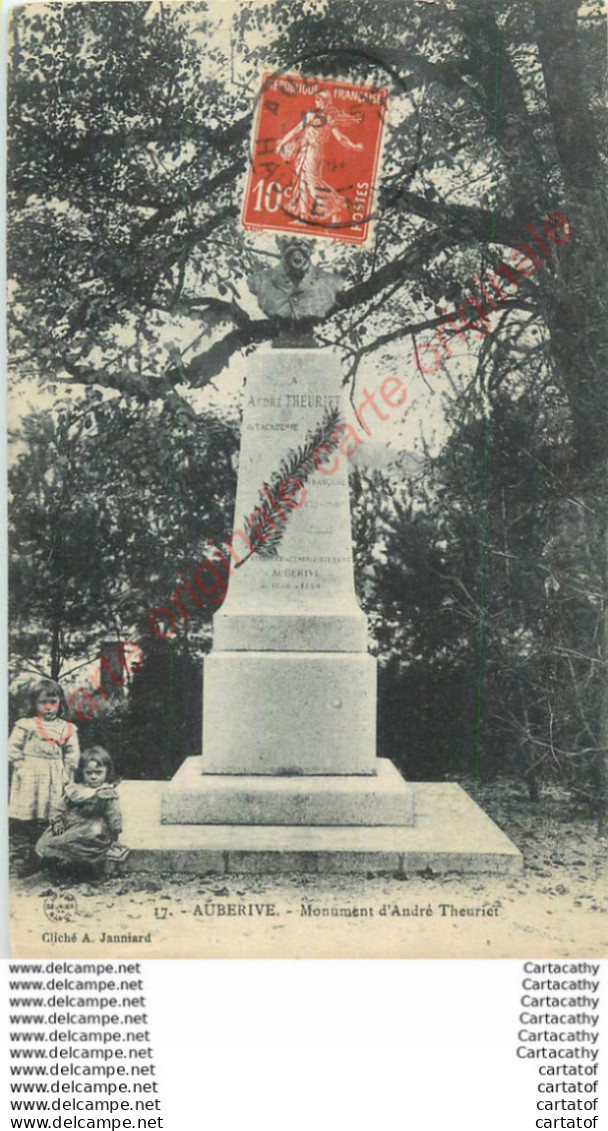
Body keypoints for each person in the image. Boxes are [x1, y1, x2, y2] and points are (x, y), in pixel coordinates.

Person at [9, 680, 80, 868]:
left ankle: (50, 853)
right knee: (29, 814)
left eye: (53, 702)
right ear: (34, 704)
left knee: (53, 813)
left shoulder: (66, 727)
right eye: (43, 703)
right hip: (29, 775)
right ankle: (27, 854)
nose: (49, 707)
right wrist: (20, 766)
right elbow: (12, 748)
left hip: (54, 774)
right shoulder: (26, 725)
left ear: (60, 703)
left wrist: (67, 774)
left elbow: (72, 753)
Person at [34, 746, 127, 882]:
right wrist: (57, 821)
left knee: (89, 836)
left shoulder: (106, 793)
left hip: (93, 826)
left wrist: (115, 832)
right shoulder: (76, 790)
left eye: (98, 772)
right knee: (53, 840)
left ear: (106, 772)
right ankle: (60, 869)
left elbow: (114, 815)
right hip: (72, 823)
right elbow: (60, 806)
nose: (93, 776)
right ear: (82, 772)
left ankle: (87, 872)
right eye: (89, 773)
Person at [276, 89, 364, 226]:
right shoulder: (330, 118)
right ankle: (303, 216)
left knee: (311, 183)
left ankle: (335, 207)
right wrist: (354, 147)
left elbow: (296, 130)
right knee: (304, 182)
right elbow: (341, 138)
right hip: (313, 152)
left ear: (324, 102)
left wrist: (282, 142)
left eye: (318, 100)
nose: (316, 102)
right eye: (316, 99)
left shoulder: (313, 115)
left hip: (311, 151)